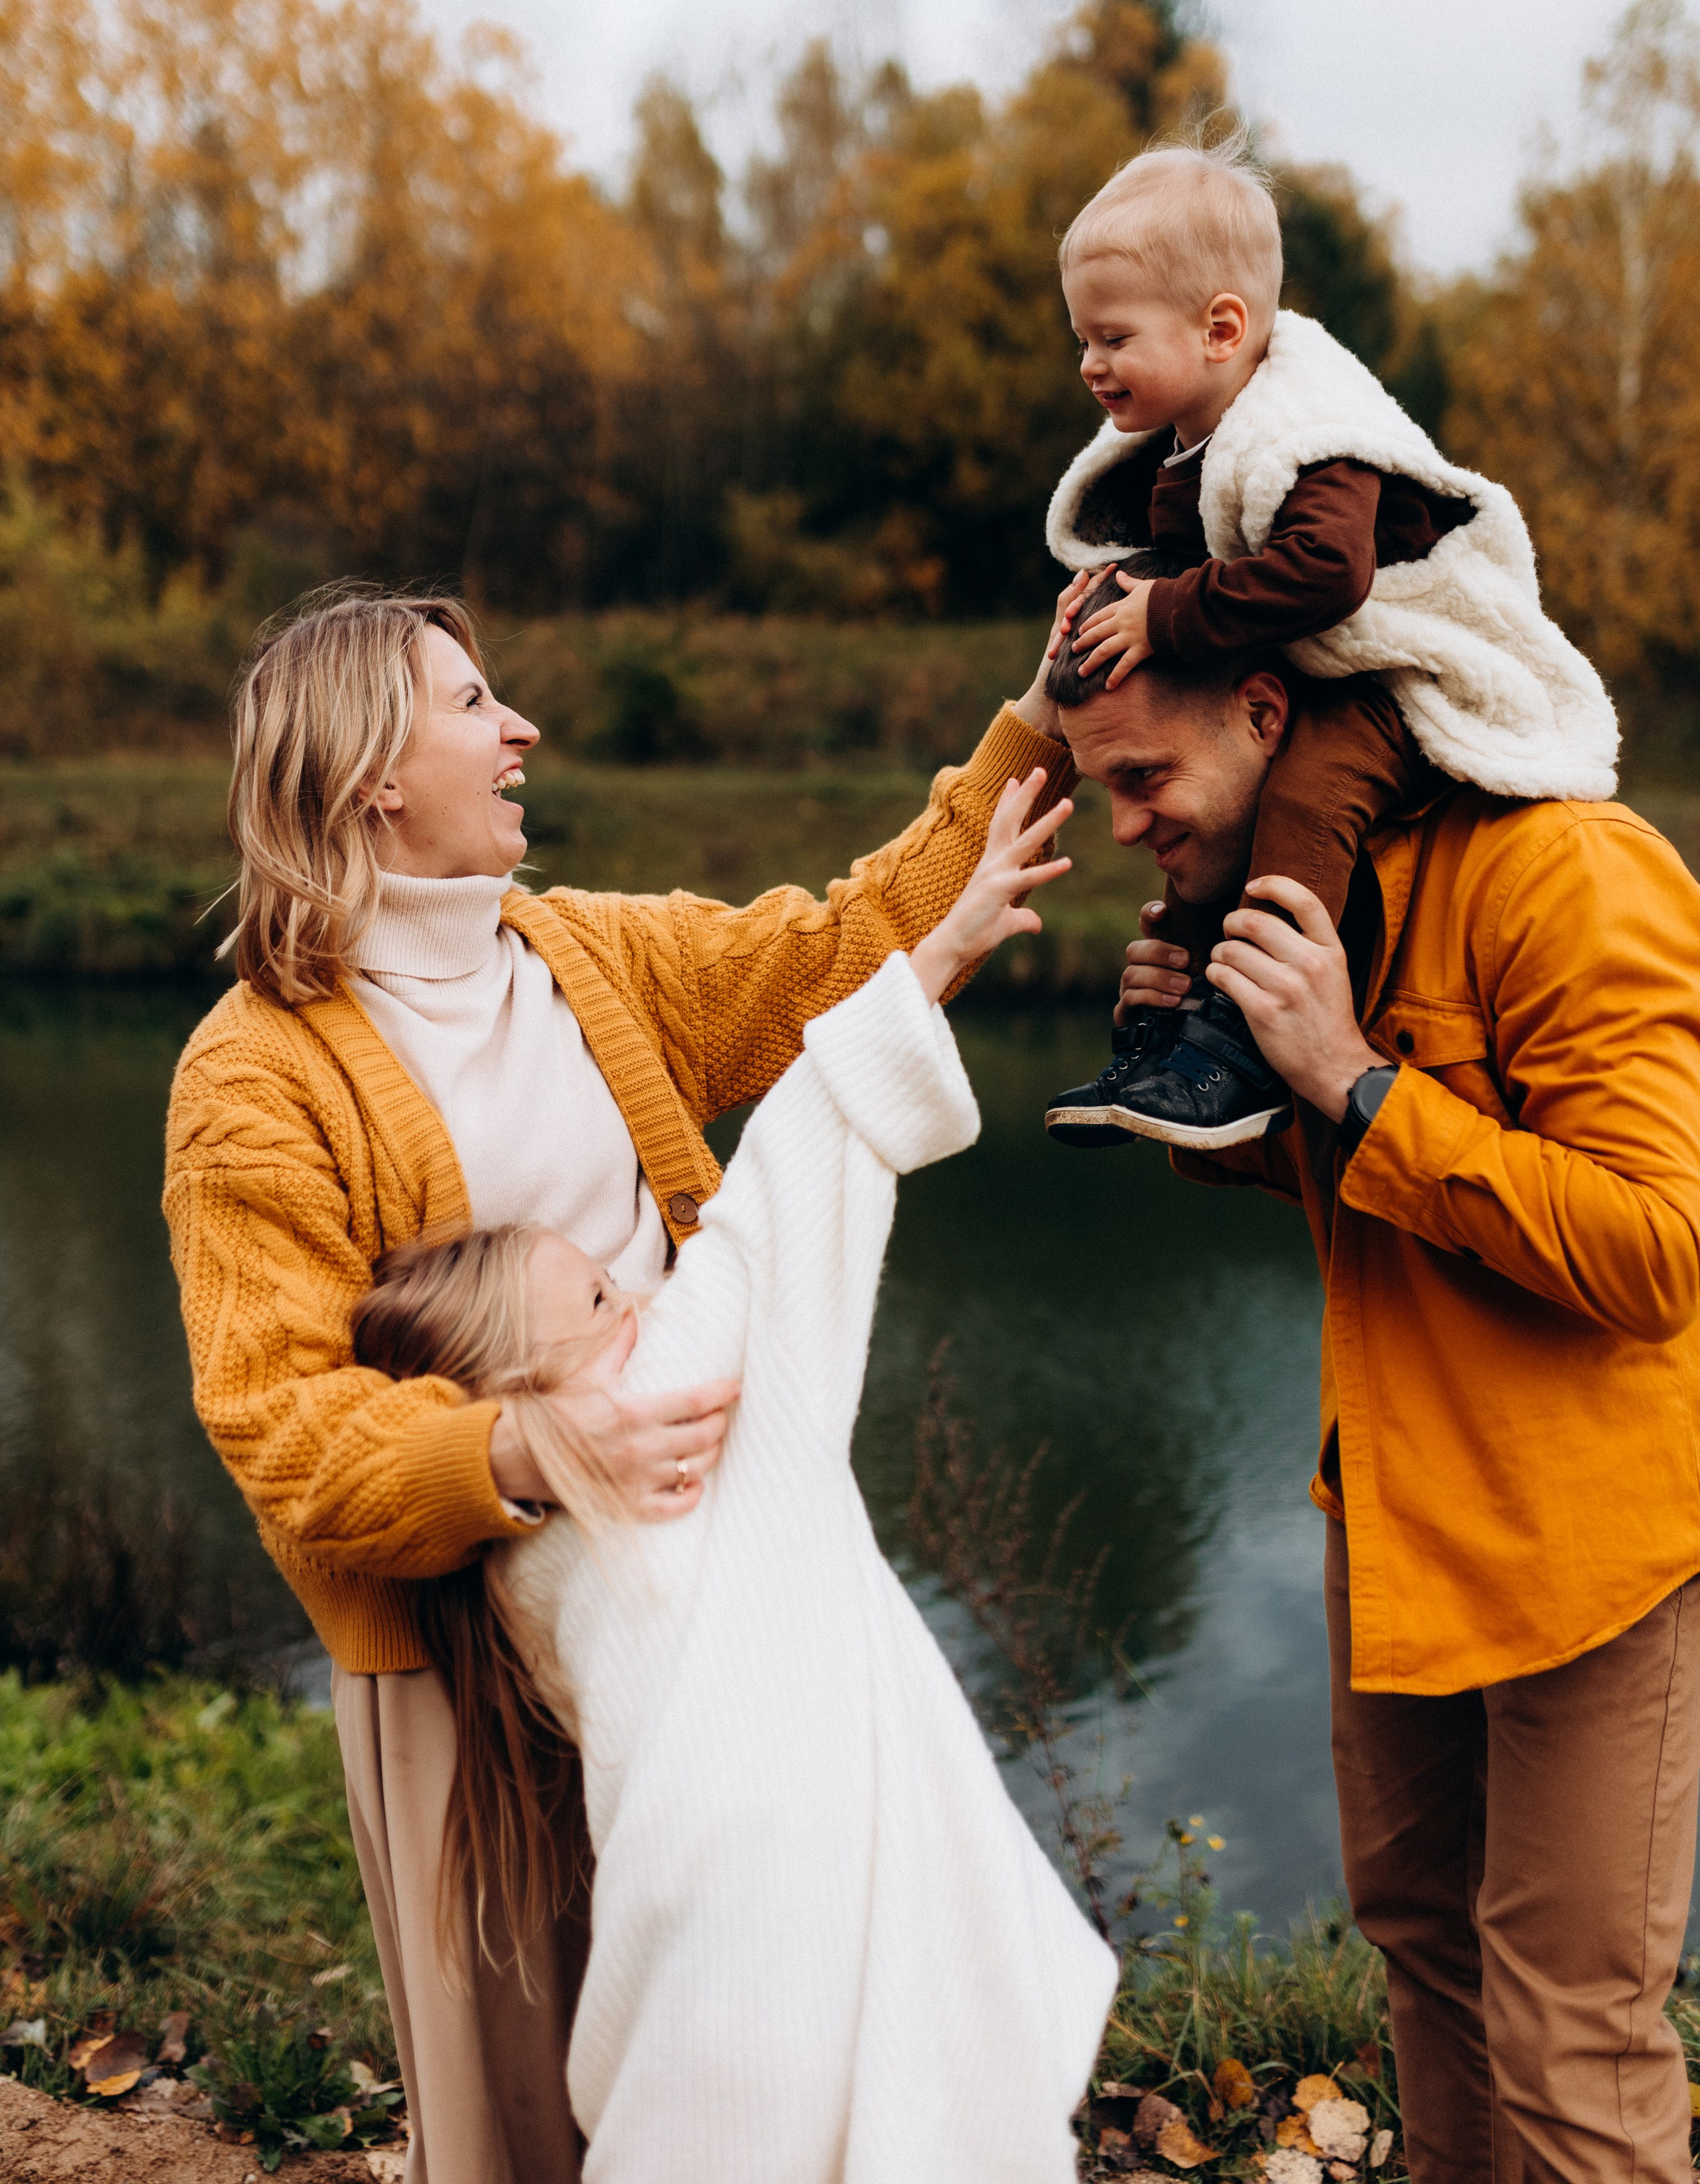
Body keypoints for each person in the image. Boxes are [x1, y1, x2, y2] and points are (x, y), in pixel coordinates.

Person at [162, 585, 1077, 2184]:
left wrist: (1037, 718)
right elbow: (280, 1424)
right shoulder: (250, 1072)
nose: (517, 729)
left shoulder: (579, 950)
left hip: (695, 1578)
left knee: (768, 2019)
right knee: (526, 2111)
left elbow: (839, 951)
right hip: (461, 1647)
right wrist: (527, 1445)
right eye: (472, 705)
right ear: (374, 766)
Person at [349, 774, 1116, 2184]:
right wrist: (941, 952)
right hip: (785, 1870)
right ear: (519, 1380)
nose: (642, 1301)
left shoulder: (508, 1546)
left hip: (681, 1897)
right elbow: (792, 1166)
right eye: (595, 1303)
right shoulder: (675, 1396)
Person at [1041, 614, 1700, 2184]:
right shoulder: (1312, 904)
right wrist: (1203, 1078)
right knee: (1426, 1953)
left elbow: (1653, 1250)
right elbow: (1371, 1198)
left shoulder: (1564, 871)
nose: (1126, 827)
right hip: (1393, 1513)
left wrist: (1344, 1075)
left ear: (1264, 712)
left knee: (1570, 2019)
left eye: (1143, 779)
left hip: (1579, 1548)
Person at [1039, 130, 1618, 1149]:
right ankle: (1175, 1042)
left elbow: (1329, 575)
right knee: (1206, 842)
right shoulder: (1189, 438)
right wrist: (1102, 604)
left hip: (1405, 664)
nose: (1091, 365)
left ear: (1222, 327)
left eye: (1114, 339)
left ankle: (1246, 1043)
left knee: (1306, 788)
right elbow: (1177, 563)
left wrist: (1165, 613)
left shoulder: (1310, 432)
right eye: (1082, 339)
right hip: (1317, 658)